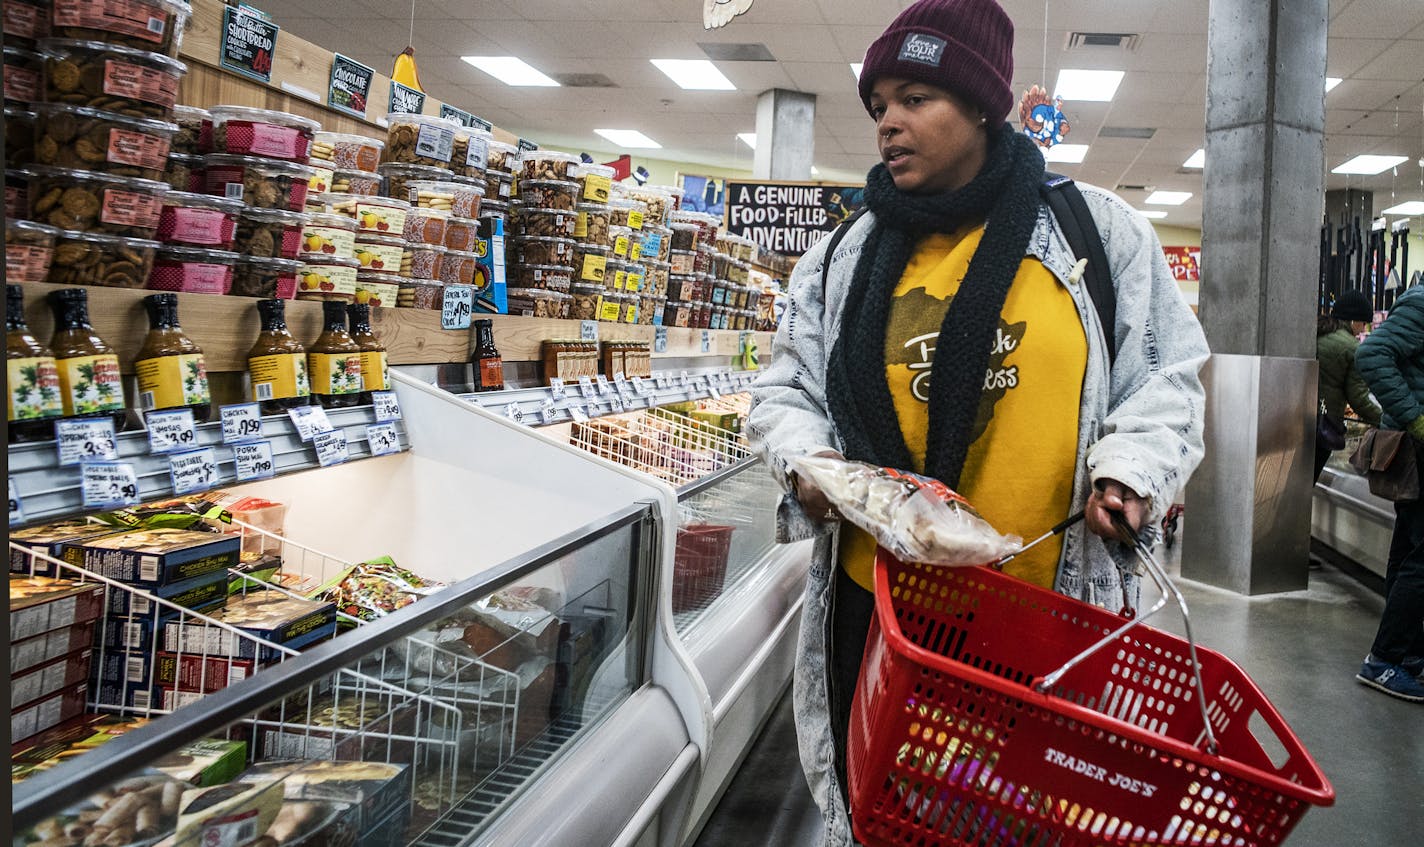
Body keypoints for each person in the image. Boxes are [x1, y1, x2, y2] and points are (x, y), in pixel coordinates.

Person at [746, 0, 1210, 842]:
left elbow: (1168, 378)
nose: (888, 121)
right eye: (880, 102)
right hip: (883, 624)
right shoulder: (843, 257)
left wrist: (1131, 469)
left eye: (917, 96)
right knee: (890, 813)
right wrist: (807, 463)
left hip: (1045, 621)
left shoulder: (1096, 233)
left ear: (984, 107)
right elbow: (784, 390)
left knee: (1028, 819)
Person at [1350, 286, 1424, 703]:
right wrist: (1415, 419)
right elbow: (1371, 355)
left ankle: (1407, 653)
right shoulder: (1421, 302)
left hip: (1415, 451)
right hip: (1419, 450)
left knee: (1408, 552)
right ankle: (1384, 659)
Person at [1314, 289, 1381, 482]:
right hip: (1324, 426)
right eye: (1363, 323)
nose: (1363, 329)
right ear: (1353, 320)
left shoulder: (1317, 331)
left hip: (1298, 420)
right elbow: (1358, 397)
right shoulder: (1351, 348)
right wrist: (1383, 419)